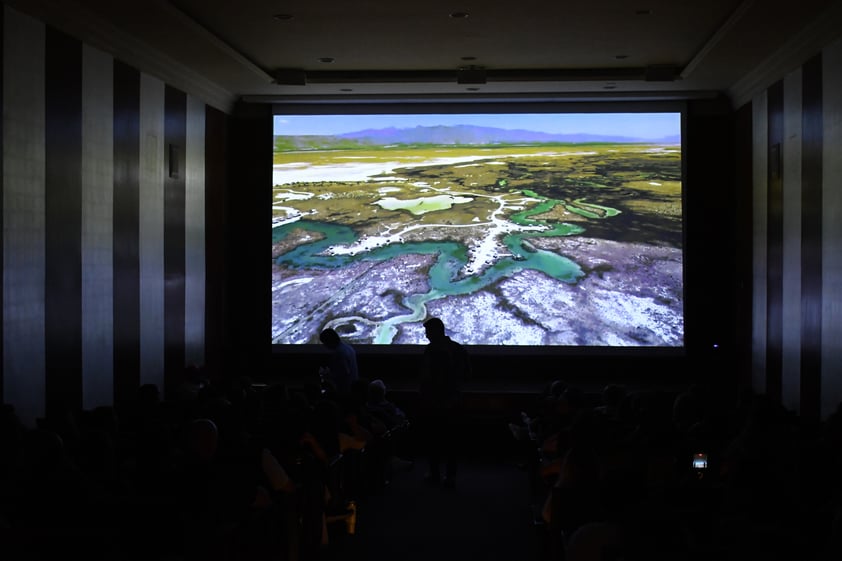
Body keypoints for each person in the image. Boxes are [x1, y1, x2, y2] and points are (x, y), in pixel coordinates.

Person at [419, 316, 470, 487]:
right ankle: (449, 476)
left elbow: (426, 378)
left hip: (438, 403)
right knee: (449, 441)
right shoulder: (457, 349)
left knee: (437, 440)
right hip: (450, 402)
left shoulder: (433, 351)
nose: (426, 335)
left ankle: (436, 474)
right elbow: (466, 374)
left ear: (436, 331)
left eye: (428, 332)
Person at [318, 328, 359, 394]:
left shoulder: (339, 353)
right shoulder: (348, 347)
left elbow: (344, 373)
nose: (324, 346)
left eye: (324, 343)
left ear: (329, 341)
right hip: (354, 387)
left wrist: (327, 375)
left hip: (346, 391)